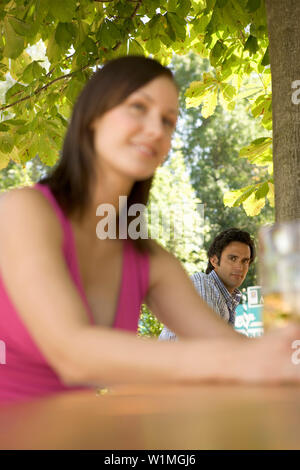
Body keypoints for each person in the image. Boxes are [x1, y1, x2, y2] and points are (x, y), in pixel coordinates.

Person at [0, 56, 299, 404]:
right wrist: (244, 362)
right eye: (138, 107)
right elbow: (72, 354)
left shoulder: (146, 256)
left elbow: (229, 347)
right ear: (93, 117)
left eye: (169, 121)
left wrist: (282, 357)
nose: (157, 129)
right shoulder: (23, 211)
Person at [159, 228, 254, 341]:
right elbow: (207, 342)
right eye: (233, 258)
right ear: (214, 260)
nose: (239, 267)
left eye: (245, 261)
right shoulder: (202, 283)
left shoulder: (227, 300)